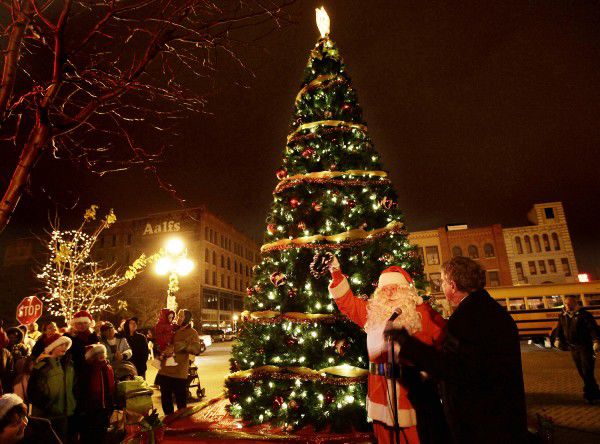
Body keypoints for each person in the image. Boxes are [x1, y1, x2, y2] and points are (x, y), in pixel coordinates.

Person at [385, 257, 528, 444]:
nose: (442, 286)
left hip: (480, 421)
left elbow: (452, 367)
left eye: (443, 282)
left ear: (452, 285)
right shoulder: (494, 311)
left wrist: (406, 342)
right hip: (506, 414)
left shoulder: (464, 318)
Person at [328, 258, 449, 444]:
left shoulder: (423, 313)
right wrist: (336, 271)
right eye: (386, 288)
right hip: (380, 393)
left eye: (396, 287)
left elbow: (446, 345)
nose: (390, 292)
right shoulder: (373, 313)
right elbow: (347, 302)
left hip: (410, 393)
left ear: (406, 291)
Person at [27, 334, 76, 443]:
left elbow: (73, 386)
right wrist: (45, 405)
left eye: (66, 345)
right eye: (61, 344)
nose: (65, 347)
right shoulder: (42, 366)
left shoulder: (69, 364)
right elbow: (33, 390)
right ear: (52, 347)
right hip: (47, 414)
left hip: (64, 412)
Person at [553, 294, 600, 403]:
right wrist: (557, 338)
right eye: (566, 303)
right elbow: (559, 329)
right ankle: (594, 392)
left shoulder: (584, 315)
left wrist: (595, 341)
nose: (567, 306)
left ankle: (590, 395)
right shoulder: (563, 316)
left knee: (587, 370)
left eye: (570, 303)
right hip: (573, 348)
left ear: (575, 303)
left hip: (585, 347)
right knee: (581, 371)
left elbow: (592, 328)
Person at [155, 309, 203, 415]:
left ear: (187, 318)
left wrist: (179, 346)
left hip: (179, 372)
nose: (178, 318)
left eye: (181, 316)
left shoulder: (192, 332)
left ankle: (181, 422)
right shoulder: (172, 328)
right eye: (178, 316)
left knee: (181, 400)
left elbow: (196, 349)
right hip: (165, 371)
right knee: (166, 398)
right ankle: (169, 420)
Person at [80, 344, 115, 444]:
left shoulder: (108, 367)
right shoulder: (89, 369)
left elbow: (112, 386)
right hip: (93, 406)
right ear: (92, 356)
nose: (101, 355)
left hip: (106, 405)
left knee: (102, 431)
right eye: (98, 353)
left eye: (102, 352)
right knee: (92, 431)